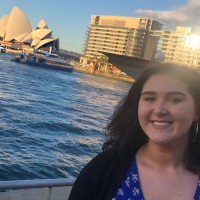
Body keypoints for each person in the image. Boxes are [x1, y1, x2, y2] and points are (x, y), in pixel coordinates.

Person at [68, 63, 200, 200]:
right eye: (150, 98)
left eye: (175, 99)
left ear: (197, 111)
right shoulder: (102, 169)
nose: (159, 110)